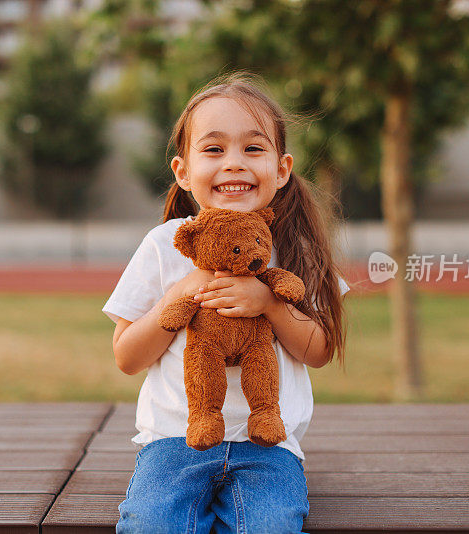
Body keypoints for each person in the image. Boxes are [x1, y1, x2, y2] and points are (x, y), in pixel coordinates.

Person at [103, 72, 349, 534]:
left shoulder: (293, 247)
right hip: (175, 443)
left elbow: (318, 351)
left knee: (273, 525)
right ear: (183, 171)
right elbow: (127, 356)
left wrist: (271, 305)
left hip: (268, 446)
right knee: (148, 524)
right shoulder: (163, 246)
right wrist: (180, 295)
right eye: (214, 150)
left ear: (281, 168)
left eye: (253, 149)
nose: (234, 164)